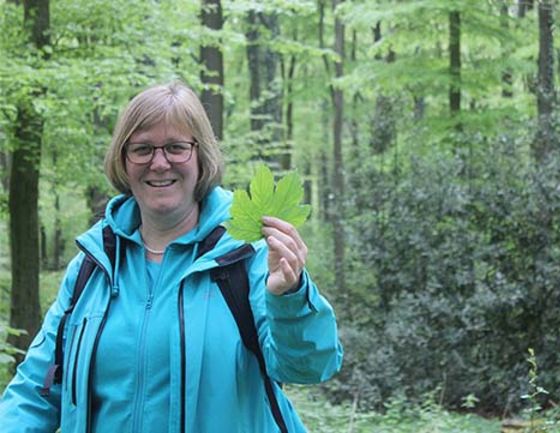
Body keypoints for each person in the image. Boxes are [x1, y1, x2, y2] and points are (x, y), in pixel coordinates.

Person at [0, 81, 343, 432]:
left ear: (201, 156)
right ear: (123, 160)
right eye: (142, 149)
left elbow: (310, 366)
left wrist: (290, 296)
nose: (159, 163)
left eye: (176, 147)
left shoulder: (245, 258)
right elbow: (36, 390)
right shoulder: (94, 266)